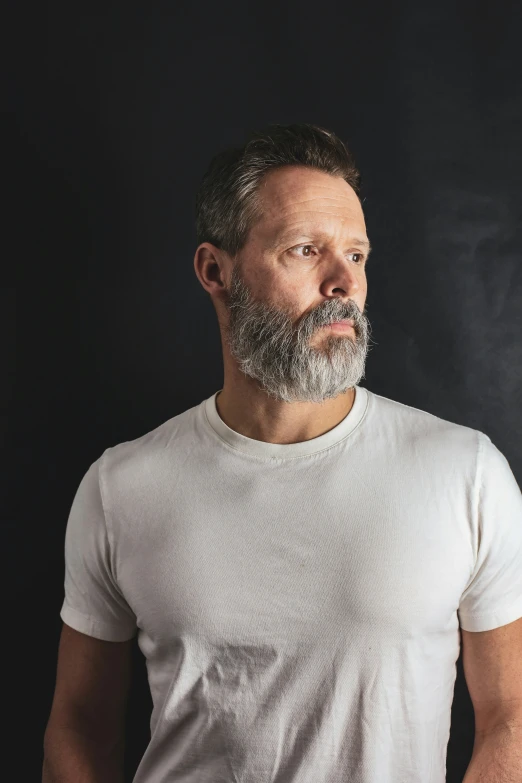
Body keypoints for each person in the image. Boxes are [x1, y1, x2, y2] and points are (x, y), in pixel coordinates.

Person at [43, 124, 522, 783]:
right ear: (217, 270)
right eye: (305, 250)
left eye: (356, 256)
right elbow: (79, 725)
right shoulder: (120, 487)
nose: (342, 284)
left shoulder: (466, 475)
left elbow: (510, 717)